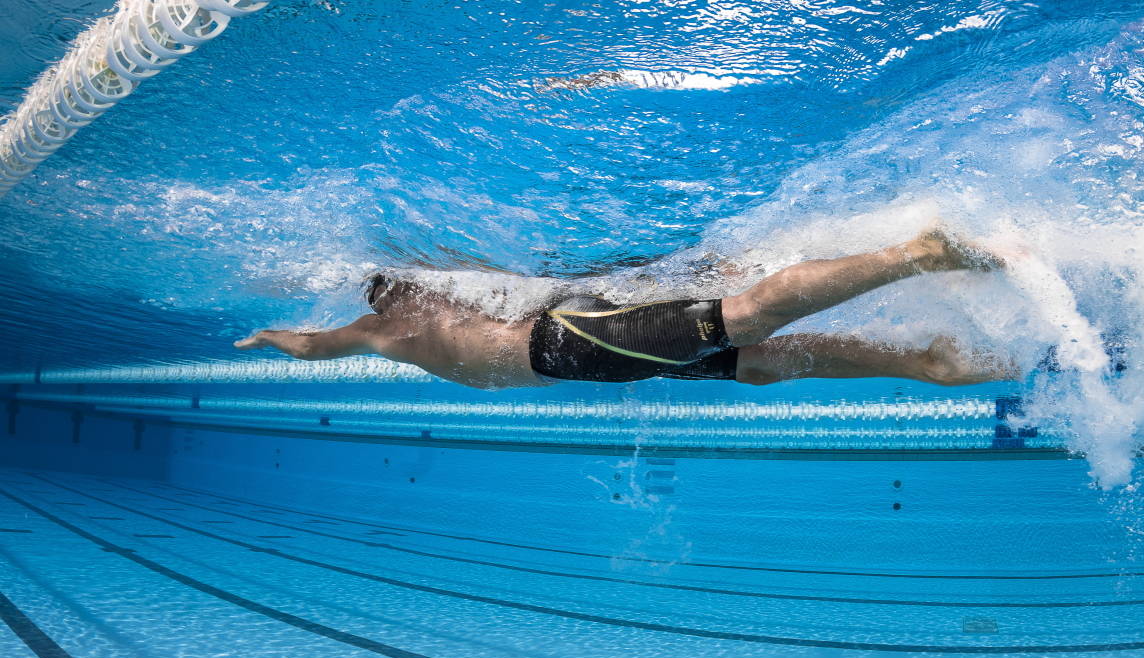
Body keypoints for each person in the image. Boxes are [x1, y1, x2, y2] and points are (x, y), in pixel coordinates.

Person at [234, 227, 1015, 389]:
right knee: (754, 365)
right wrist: (272, 334)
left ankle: (911, 257)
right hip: (574, 343)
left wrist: (270, 335)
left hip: (567, 347)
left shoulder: (379, 331)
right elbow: (310, 344)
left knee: (745, 317)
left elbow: (312, 348)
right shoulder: (423, 306)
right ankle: (921, 362)